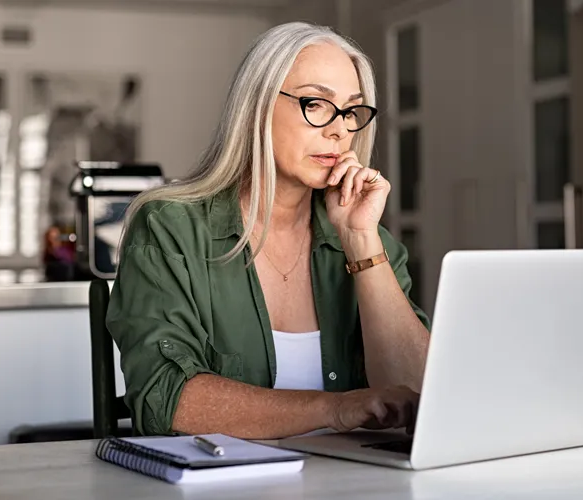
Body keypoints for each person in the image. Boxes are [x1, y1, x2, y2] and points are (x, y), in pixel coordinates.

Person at [107, 22, 431, 440]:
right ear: (257, 105)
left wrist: (360, 241)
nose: (340, 130)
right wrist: (335, 408)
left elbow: (421, 396)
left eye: (351, 111)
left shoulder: (369, 240)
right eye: (316, 103)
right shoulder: (170, 228)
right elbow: (166, 401)